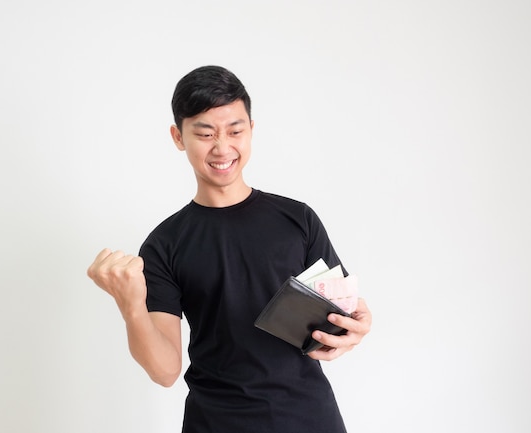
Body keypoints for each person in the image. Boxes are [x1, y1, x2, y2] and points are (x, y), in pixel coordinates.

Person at [87, 65, 372, 433]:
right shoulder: (164, 245)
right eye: (205, 133)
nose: (222, 148)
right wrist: (130, 306)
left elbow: (342, 316)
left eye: (235, 131)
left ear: (251, 130)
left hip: (309, 418)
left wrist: (354, 327)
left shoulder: (298, 220)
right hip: (216, 422)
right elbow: (164, 371)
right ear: (178, 137)